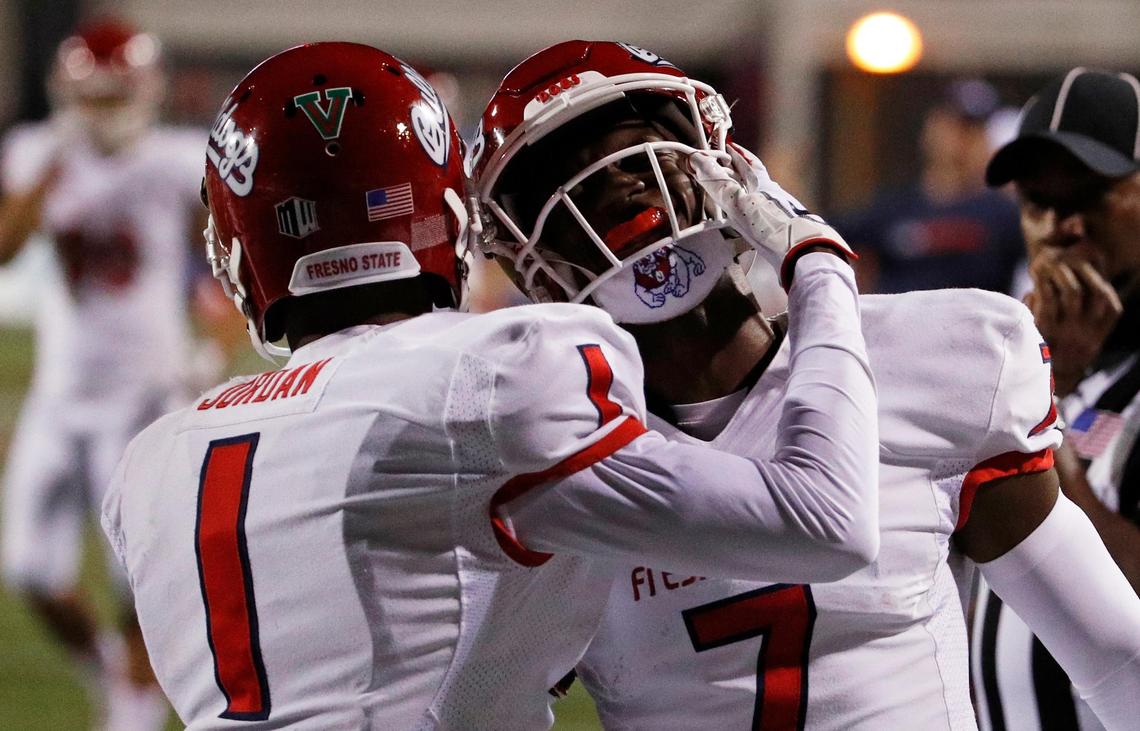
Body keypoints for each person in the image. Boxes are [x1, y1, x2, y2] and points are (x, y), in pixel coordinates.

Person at [100, 41, 885, 730]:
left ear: (242, 254)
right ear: (451, 216)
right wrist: (817, 260)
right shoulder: (488, 372)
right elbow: (826, 521)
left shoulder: (147, 463)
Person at [467, 41, 1140, 730]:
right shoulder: (546, 465)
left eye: (637, 157)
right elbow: (472, 708)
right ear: (529, 261)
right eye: (568, 185)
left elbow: (1116, 658)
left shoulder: (933, 362)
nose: (616, 189)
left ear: (722, 167)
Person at [0, 18, 215, 730]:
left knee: (139, 579)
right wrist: (45, 178)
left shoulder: (175, 160)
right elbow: (4, 247)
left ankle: (131, 704)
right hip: (60, 394)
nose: (100, 110)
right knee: (28, 566)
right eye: (89, 96)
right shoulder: (37, 151)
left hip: (147, 392)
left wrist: (211, 335)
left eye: (112, 95)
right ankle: (112, 676)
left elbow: (218, 258)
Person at [973, 67, 1140, 731]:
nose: (1060, 225)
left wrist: (1050, 405)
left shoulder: (1048, 381)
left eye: (1092, 194)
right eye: (1037, 200)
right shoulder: (1009, 363)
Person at [837, 78, 1025, 294]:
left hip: (975, 325)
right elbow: (822, 239)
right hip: (899, 325)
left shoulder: (1004, 215)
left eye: (974, 130)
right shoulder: (892, 208)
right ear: (932, 127)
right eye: (955, 125)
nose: (961, 139)